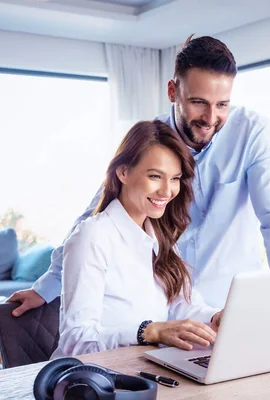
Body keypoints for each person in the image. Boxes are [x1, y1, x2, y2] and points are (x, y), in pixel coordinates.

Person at [8, 34, 270, 314]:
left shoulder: (254, 134)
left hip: (228, 307)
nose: (210, 119)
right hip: (161, 307)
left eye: (222, 105)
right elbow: (97, 213)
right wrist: (46, 287)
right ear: (173, 91)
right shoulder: (152, 141)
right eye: (198, 102)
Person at [51, 120, 223, 358]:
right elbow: (76, 340)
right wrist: (149, 332)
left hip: (144, 369)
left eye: (175, 179)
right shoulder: (92, 237)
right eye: (155, 176)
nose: (167, 191)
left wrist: (216, 318)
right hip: (91, 380)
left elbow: (181, 305)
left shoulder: (161, 236)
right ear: (123, 172)